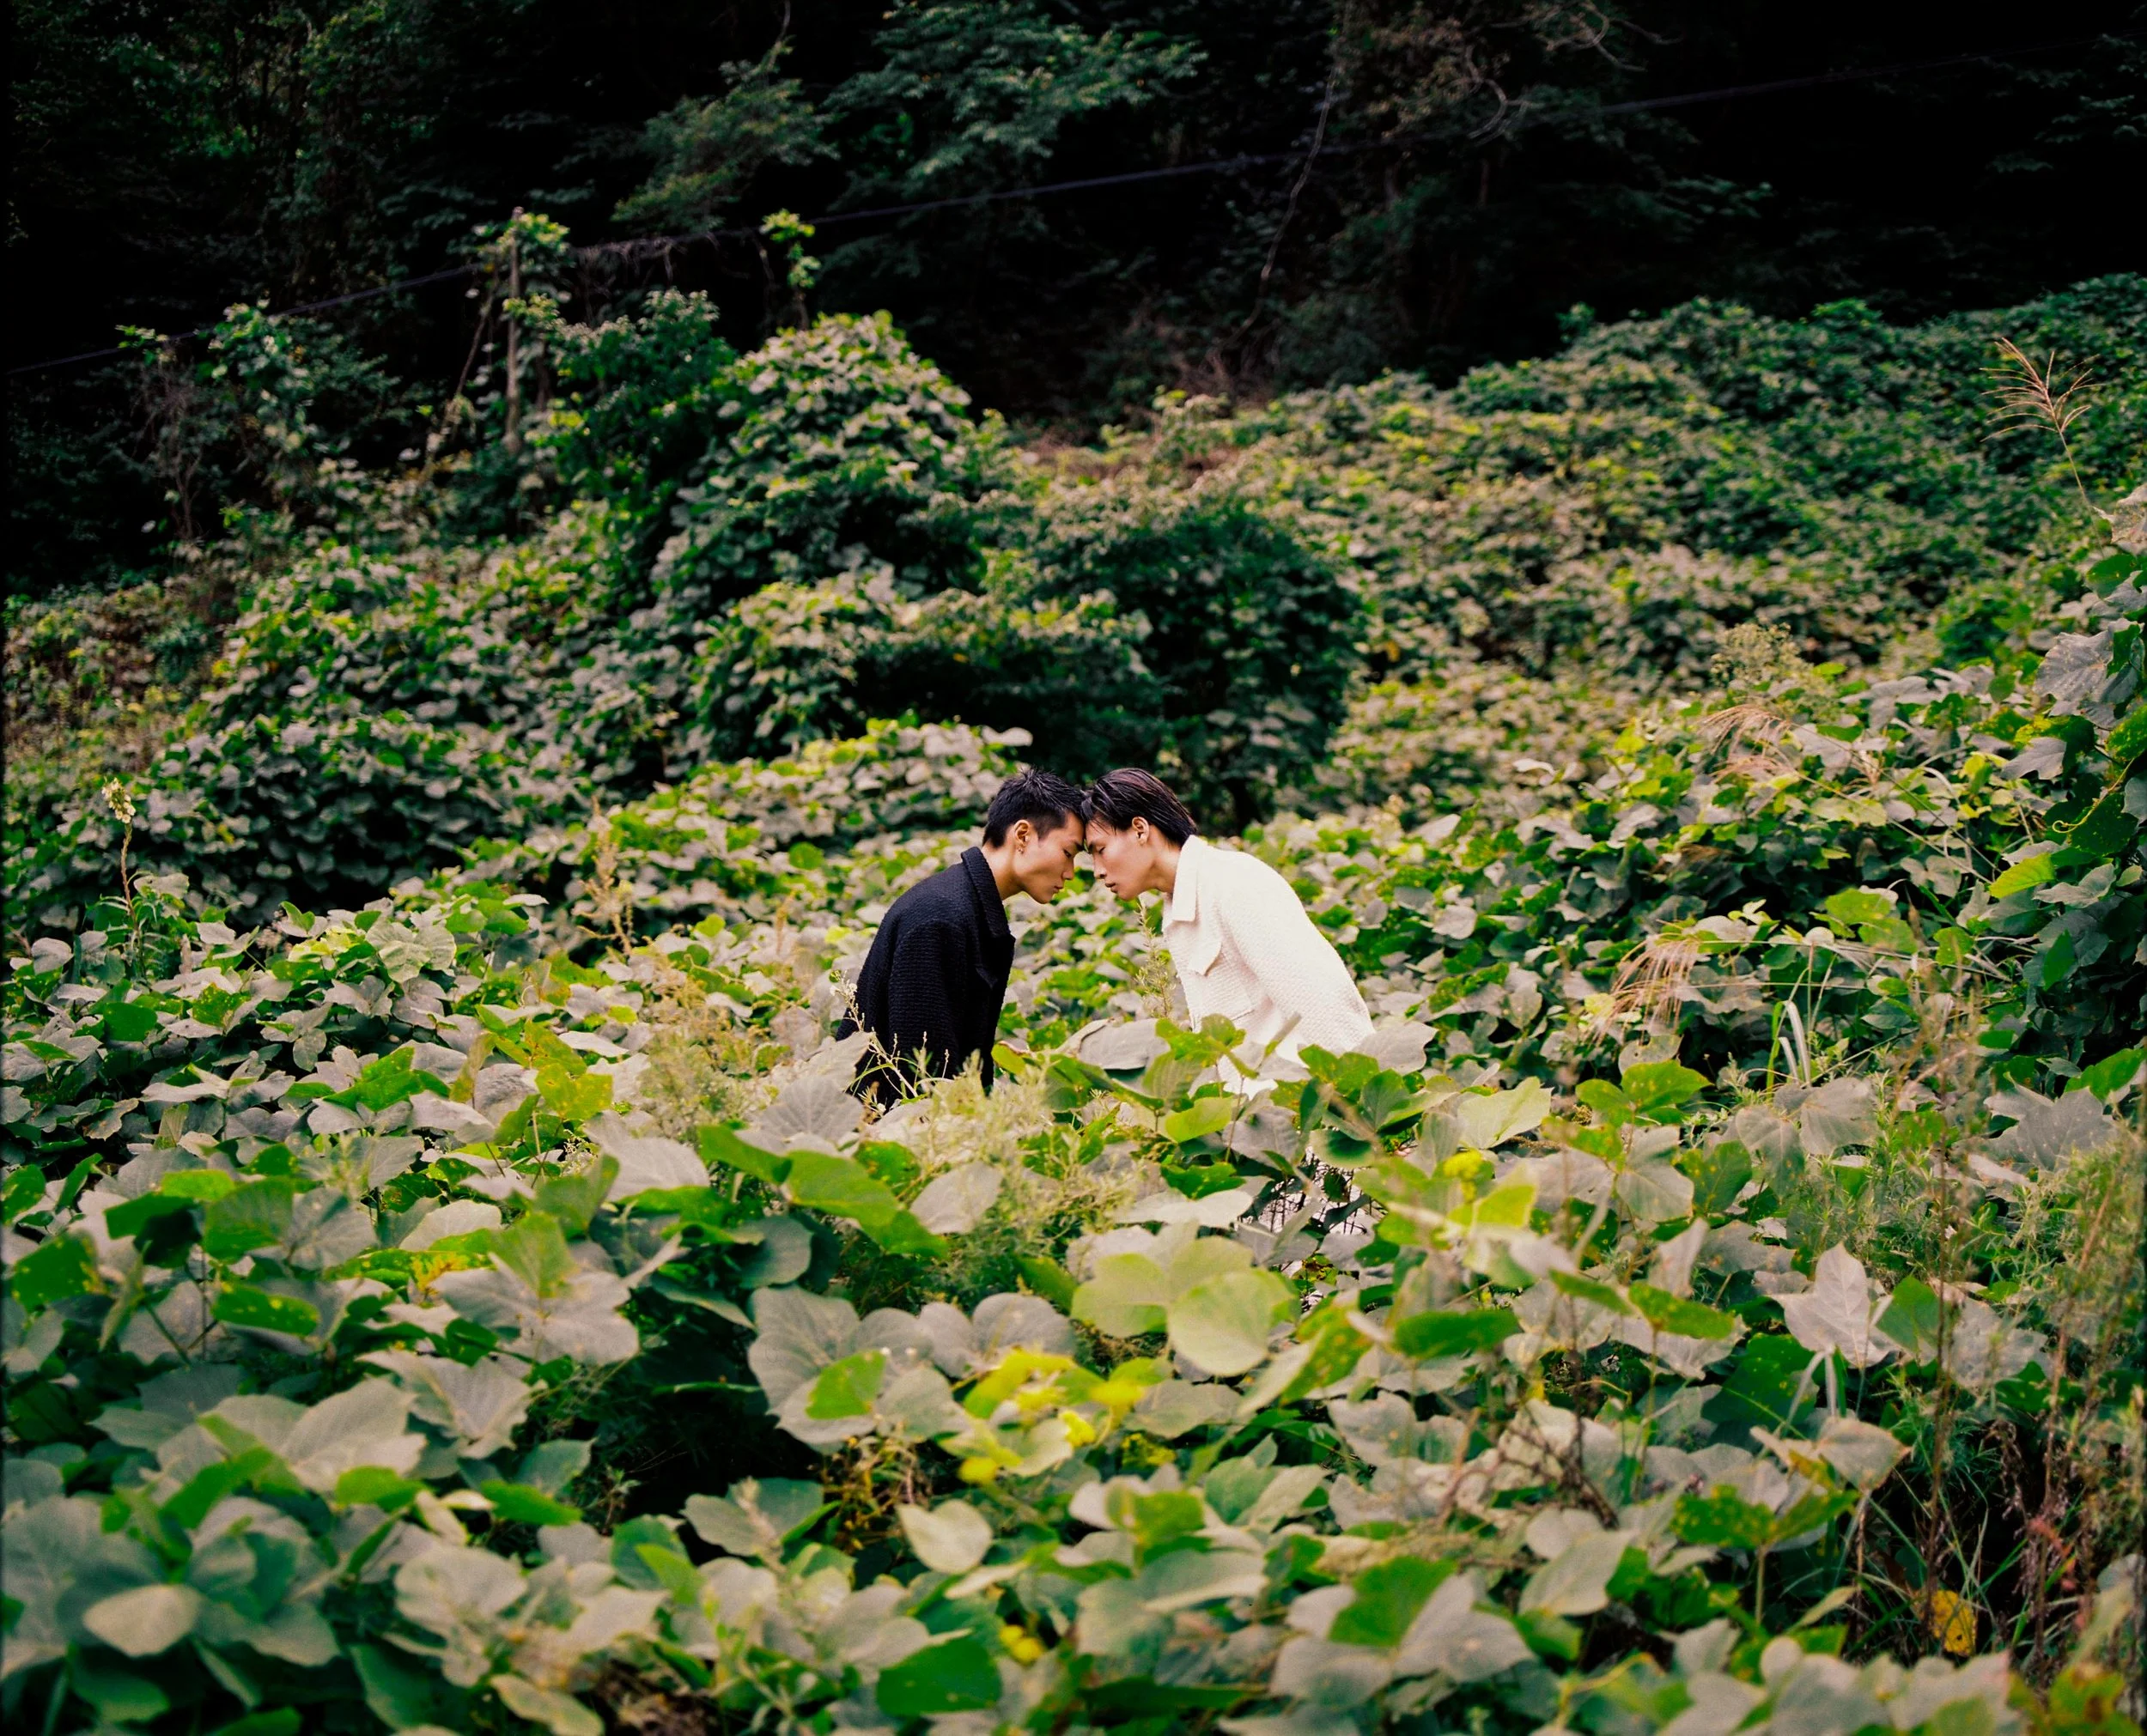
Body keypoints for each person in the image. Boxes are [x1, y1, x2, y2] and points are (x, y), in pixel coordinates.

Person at [1084, 768, 1372, 1072]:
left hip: (1297, 1093)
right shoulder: (1180, 906)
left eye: (1100, 850)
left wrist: (1358, 1088)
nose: (1097, 871)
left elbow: (1321, 997)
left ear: (1140, 830)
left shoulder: (1233, 882)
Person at [843, 768, 1086, 1106]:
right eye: (1068, 853)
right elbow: (921, 1073)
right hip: (883, 1128)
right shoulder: (941, 916)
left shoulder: (963, 905)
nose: (1070, 873)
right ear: (1023, 835)